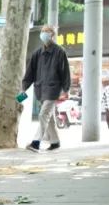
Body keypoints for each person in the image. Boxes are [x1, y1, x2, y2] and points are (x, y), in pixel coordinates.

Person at [20, 24, 71, 152]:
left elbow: (65, 73)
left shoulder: (60, 52)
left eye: (47, 31)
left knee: (43, 114)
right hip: (40, 89)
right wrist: (24, 88)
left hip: (53, 90)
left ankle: (36, 142)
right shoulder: (37, 53)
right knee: (49, 117)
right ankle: (55, 142)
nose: (44, 34)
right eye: (42, 31)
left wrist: (66, 89)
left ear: (52, 35)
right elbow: (30, 72)